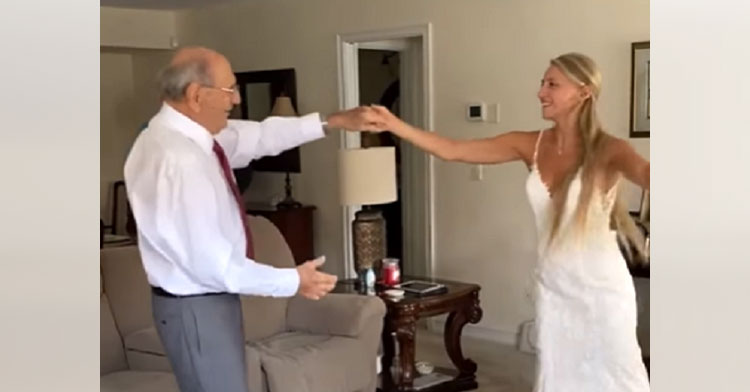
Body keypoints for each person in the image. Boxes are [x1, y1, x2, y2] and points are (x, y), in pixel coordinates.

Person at [369, 52, 650, 391]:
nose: (541, 92)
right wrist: (394, 124)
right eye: (542, 83)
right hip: (554, 287)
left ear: (583, 92)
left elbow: (649, 175)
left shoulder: (609, 149)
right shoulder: (529, 143)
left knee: (617, 378)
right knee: (559, 379)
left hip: (602, 291)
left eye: (552, 84)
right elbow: (454, 150)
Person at [123, 46, 384, 392]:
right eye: (230, 89)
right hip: (197, 307)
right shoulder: (178, 160)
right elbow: (215, 266)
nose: (236, 101)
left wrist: (333, 122)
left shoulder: (194, 139)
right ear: (196, 95)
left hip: (206, 303)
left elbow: (260, 136)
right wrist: (293, 281)